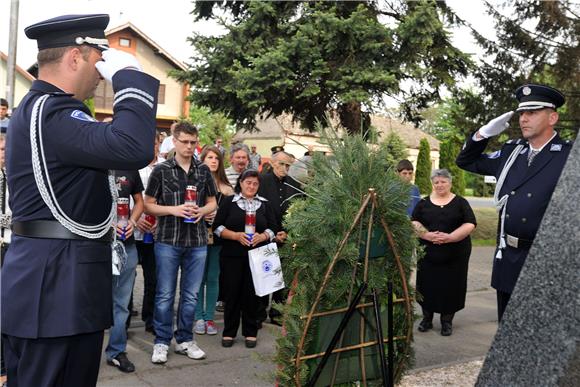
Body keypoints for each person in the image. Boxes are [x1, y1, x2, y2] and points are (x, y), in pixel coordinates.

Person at [1, 14, 159, 386]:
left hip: (62, 286)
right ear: (75, 57)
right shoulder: (52, 113)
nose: (103, 73)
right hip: (54, 291)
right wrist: (130, 79)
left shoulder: (47, 112)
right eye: (97, 61)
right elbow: (133, 147)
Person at [456, 84, 572, 321]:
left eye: (532, 112)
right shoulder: (512, 152)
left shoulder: (567, 156)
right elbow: (465, 162)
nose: (524, 119)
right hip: (508, 257)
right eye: (521, 113)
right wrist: (482, 135)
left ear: (553, 117)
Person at [144, 121, 217, 364]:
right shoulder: (161, 170)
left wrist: (202, 211)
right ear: (173, 141)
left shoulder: (204, 170)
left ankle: (185, 340)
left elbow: (212, 201)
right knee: (164, 294)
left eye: (193, 143)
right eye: (184, 142)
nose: (189, 147)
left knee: (190, 295)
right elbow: (148, 204)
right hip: (167, 240)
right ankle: (162, 342)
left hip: (197, 242)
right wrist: (174, 210)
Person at [213, 169, 278, 348]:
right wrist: (235, 236)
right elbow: (217, 227)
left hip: (257, 256)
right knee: (232, 293)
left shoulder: (265, 204)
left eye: (255, 183)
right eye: (248, 182)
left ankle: (250, 331)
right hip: (232, 255)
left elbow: (273, 227)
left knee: (252, 295)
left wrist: (263, 236)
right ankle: (229, 332)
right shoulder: (229, 202)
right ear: (241, 183)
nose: (251, 186)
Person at [411, 169, 476, 336]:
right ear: (433, 184)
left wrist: (451, 237)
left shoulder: (461, 202)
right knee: (427, 285)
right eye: (436, 182)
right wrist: (427, 235)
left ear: (450, 183)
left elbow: (470, 224)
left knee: (451, 286)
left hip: (455, 255)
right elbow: (414, 222)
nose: (440, 185)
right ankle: (427, 319)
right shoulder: (423, 203)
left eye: (443, 181)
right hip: (428, 255)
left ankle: (446, 322)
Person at [257, 151, 303, 326]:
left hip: (286, 237)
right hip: (266, 235)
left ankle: (277, 313)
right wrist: (272, 232)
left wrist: (287, 232)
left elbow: (299, 210)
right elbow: (258, 208)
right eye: (282, 164)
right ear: (273, 163)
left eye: (288, 165)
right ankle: (259, 313)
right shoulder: (261, 181)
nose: (285, 168)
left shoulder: (295, 184)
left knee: (282, 277)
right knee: (265, 275)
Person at [105, 169, 144, 373]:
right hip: (95, 246)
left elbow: (139, 201)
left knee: (121, 304)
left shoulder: (129, 167)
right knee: (89, 303)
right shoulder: (89, 161)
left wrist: (132, 221)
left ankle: (116, 351)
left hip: (125, 246)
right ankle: (82, 353)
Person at [194, 146, 234, 336]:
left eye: (216, 158)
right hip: (197, 236)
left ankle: (209, 317)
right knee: (197, 278)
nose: (213, 161)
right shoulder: (195, 183)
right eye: (209, 157)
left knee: (212, 277)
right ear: (202, 159)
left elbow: (233, 217)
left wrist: (219, 215)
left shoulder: (227, 189)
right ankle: (198, 317)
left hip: (218, 238)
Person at [134, 134, 161, 334]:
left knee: (153, 279)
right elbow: (126, 196)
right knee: (129, 277)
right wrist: (137, 217)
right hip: (132, 230)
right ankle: (124, 317)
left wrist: (159, 219)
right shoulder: (132, 166)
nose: (151, 147)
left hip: (155, 232)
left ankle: (149, 318)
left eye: (155, 143)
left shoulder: (164, 169)